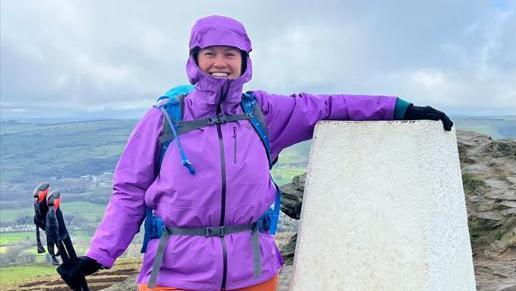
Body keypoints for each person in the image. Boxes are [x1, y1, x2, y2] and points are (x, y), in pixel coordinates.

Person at [57, 15, 453, 291]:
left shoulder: (262, 112)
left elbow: (329, 105)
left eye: (231, 54)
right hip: (175, 274)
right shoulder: (164, 119)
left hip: (254, 273)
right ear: (194, 60)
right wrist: (99, 256)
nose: (220, 63)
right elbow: (129, 192)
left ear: (245, 61)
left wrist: (401, 108)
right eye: (210, 53)